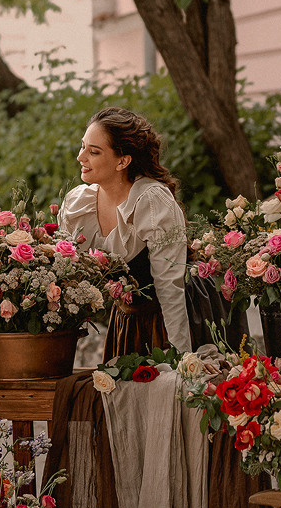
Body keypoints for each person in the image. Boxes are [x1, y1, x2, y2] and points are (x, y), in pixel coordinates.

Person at [59, 107, 192, 359]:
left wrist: (182, 356)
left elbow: (170, 286)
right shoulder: (78, 204)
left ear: (123, 161)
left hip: (162, 328)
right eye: (83, 146)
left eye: (94, 151)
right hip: (122, 326)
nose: (81, 157)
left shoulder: (151, 202)